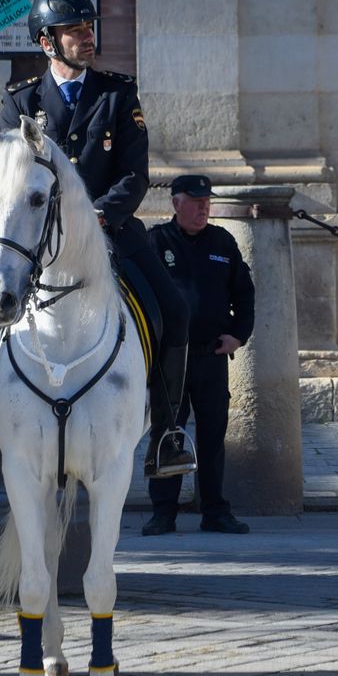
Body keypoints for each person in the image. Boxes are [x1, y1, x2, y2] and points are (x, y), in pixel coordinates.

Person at [0, 0, 195, 488]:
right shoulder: (21, 99)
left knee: (173, 311)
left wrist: (98, 216)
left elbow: (134, 175)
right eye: (75, 30)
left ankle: (166, 435)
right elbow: (6, 173)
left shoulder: (118, 94)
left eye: (89, 28)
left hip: (108, 232)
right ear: (48, 42)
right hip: (31, 236)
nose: (87, 37)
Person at [141, 175, 255, 536]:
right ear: (176, 203)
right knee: (167, 432)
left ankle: (215, 511)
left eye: (207, 201)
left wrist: (238, 335)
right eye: (195, 200)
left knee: (213, 435)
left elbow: (245, 293)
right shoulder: (157, 241)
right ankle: (163, 512)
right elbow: (141, 296)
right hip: (170, 359)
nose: (204, 207)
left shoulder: (222, 241)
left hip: (211, 355)